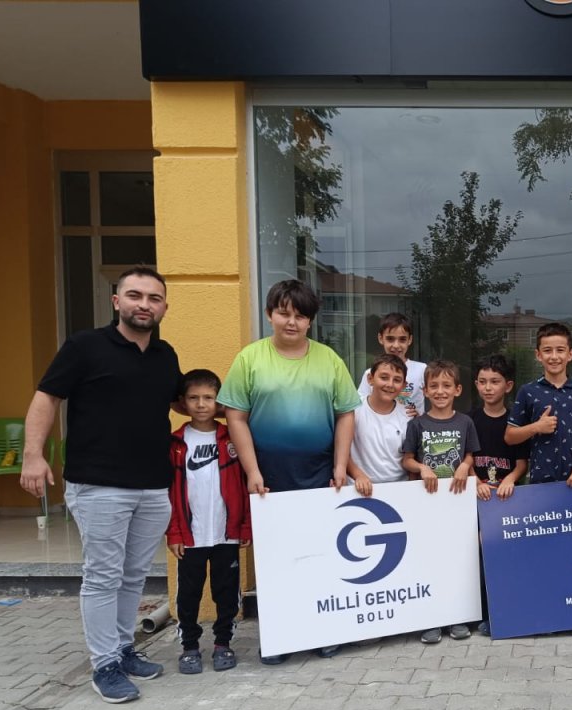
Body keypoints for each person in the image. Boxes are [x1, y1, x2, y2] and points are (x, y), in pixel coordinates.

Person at [19, 267, 181, 704]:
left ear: (164, 307)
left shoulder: (165, 355)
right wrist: (32, 454)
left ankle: (124, 649)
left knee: (134, 575)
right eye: (135, 295)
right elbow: (47, 397)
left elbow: (179, 401)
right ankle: (104, 664)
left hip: (153, 485)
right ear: (116, 301)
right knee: (103, 576)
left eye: (153, 298)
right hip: (99, 484)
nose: (144, 304)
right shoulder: (84, 346)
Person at [219, 278, 361, 664]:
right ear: (270, 315)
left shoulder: (329, 360)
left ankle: (322, 630)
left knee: (321, 553)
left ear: (310, 320)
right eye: (284, 313)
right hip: (268, 477)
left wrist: (340, 466)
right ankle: (278, 637)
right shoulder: (250, 359)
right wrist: (252, 470)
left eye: (300, 315)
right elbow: (236, 416)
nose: (292, 322)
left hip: (320, 475)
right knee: (276, 559)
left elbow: (345, 414)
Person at [167, 369, 250, 675]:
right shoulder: (176, 443)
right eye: (193, 398)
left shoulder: (232, 437)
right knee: (188, 593)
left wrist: (244, 526)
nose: (201, 404)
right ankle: (189, 646)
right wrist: (174, 532)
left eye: (208, 398)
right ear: (182, 402)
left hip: (226, 533)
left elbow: (243, 484)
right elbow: (170, 492)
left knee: (226, 591)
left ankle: (223, 643)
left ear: (219, 402)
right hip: (191, 536)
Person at [401, 359, 481, 644]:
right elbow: (407, 459)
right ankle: (431, 618)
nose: (440, 391)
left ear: (457, 390)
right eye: (434, 386)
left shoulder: (465, 422)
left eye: (446, 385)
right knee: (430, 561)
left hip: (458, 504)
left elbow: (470, 454)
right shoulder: (417, 424)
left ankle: (458, 616)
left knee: (458, 561)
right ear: (424, 390)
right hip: (427, 505)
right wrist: (422, 468)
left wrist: (465, 466)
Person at [470, 354, 529, 636]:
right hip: (477, 498)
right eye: (482, 382)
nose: (488, 387)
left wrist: (510, 479)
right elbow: (464, 458)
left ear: (508, 385)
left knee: (502, 554)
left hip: (507, 499)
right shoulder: (469, 419)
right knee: (477, 553)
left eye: (494, 381)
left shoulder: (515, 422)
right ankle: (480, 612)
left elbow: (522, 463)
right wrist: (474, 480)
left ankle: (503, 611)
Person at [505, 322, 572, 487]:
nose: (554, 356)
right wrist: (536, 427)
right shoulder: (528, 391)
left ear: (570, 354)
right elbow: (510, 436)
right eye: (547, 350)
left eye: (560, 350)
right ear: (538, 355)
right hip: (541, 483)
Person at [348, 354, 412, 493]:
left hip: (399, 490)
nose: (390, 384)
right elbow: (341, 450)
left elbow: (411, 459)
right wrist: (358, 476)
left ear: (404, 385)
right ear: (370, 379)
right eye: (384, 377)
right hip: (357, 490)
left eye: (397, 380)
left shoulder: (409, 417)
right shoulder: (352, 410)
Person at [357, 313, 426, 417]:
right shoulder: (370, 373)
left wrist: (421, 417)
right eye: (390, 339)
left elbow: (438, 397)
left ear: (410, 340)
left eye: (402, 339)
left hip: (413, 425)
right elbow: (360, 404)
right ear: (381, 338)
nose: (396, 345)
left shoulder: (422, 370)